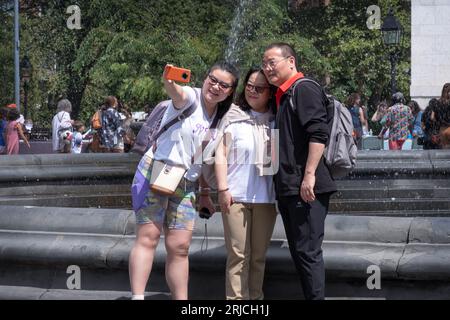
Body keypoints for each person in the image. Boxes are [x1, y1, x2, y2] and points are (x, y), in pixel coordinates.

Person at [128, 62, 239, 300]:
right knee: (148, 238)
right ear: (205, 78)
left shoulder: (221, 117)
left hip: (186, 182)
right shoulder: (191, 97)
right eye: (212, 79)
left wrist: (206, 193)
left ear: (230, 91)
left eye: (223, 85)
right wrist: (170, 80)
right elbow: (176, 92)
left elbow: (201, 158)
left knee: (180, 247)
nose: (215, 87)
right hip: (155, 172)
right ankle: (137, 297)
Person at [262, 43, 337, 300]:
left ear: (290, 61)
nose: (267, 68)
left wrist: (309, 175)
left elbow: (319, 132)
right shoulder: (282, 95)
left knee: (308, 251)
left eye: (272, 61)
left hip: (306, 186)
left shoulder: (303, 88)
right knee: (300, 251)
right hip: (289, 186)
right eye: (265, 63)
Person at [212, 67, 277, 300]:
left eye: (259, 88)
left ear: (270, 92)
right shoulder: (232, 116)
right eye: (249, 86)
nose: (253, 91)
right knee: (238, 255)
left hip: (266, 199)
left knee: (258, 257)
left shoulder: (276, 120)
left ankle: (256, 300)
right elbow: (219, 155)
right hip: (235, 196)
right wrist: (222, 189)